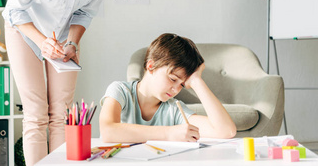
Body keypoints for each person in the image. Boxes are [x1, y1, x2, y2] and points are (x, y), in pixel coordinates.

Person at [2, 0, 142, 165]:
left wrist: (73, 44)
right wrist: (42, 42)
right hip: (25, 32)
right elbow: (14, 10)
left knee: (61, 113)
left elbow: (84, 13)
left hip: (64, 37)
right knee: (36, 113)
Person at [99, 33, 236, 143]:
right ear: (151, 66)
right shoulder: (120, 91)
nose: (176, 90)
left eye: (182, 85)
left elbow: (226, 131)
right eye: (173, 79)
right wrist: (169, 133)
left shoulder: (174, 110)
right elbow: (108, 131)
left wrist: (196, 81)